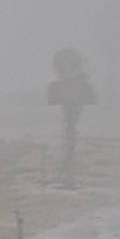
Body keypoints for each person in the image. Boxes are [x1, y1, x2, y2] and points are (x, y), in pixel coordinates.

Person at [47, 47, 97, 187]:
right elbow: (51, 105)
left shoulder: (84, 86)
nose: (66, 68)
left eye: (69, 64)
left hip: (79, 133)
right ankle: (67, 176)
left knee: (71, 148)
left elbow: (92, 105)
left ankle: (70, 177)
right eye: (63, 65)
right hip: (65, 131)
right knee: (67, 147)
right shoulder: (56, 86)